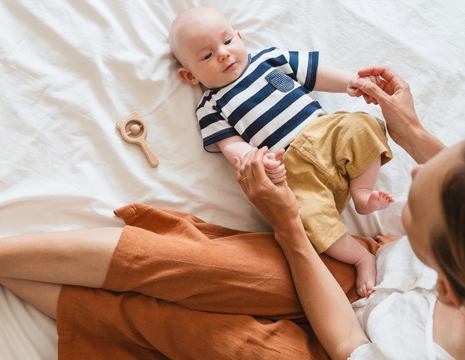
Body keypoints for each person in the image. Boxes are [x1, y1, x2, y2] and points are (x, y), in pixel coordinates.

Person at [0, 67, 465, 359]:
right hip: (345, 267)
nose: (414, 168)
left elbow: (342, 342)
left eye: (417, 192)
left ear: (444, 288)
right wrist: (417, 131)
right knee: (186, 264)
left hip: (333, 341)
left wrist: (286, 228)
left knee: (200, 336)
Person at [168, 7, 393, 297]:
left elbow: (314, 75)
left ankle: (362, 193)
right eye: (207, 56)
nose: (223, 54)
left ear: (239, 37)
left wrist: (349, 82)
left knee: (363, 124)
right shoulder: (211, 108)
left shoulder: (268, 59)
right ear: (189, 76)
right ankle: (361, 256)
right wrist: (260, 162)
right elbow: (233, 146)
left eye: (226, 42)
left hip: (325, 133)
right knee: (303, 219)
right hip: (291, 168)